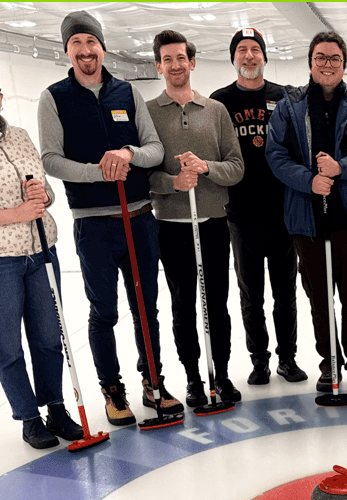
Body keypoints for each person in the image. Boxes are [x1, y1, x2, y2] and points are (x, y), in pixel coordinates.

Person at [38, 10, 181, 426]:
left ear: (102, 47)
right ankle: (112, 389)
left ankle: (153, 382)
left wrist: (127, 154)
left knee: (146, 309)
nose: (85, 50)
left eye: (91, 42)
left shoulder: (126, 92)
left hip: (138, 217)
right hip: (94, 225)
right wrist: (97, 171)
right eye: (76, 44)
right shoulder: (54, 97)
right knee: (104, 312)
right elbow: (51, 159)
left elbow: (154, 149)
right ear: (67, 51)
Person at [0, 64, 85, 451]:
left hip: (40, 251)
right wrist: (16, 214)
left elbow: (45, 190)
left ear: (1, 95)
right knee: (9, 345)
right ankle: (29, 417)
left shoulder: (20, 136)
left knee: (48, 337)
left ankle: (56, 408)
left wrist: (42, 196)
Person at [265, 31, 347, 391]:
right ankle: (329, 363)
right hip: (308, 219)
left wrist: (340, 168)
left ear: (344, 64)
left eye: (335, 58)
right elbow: (276, 155)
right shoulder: (289, 106)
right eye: (321, 57)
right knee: (319, 299)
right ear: (310, 62)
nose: (328, 64)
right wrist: (309, 180)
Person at [146, 31, 244, 408]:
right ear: (159, 66)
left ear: (192, 62)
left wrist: (206, 168)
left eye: (181, 58)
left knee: (217, 305)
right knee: (183, 306)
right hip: (172, 226)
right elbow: (145, 176)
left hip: (214, 223)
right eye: (167, 59)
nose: (175, 65)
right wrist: (173, 182)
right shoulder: (148, 113)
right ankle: (192, 379)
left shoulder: (215, 110)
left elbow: (236, 167)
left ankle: (221, 374)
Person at [210, 27, 307, 387]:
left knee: (285, 294)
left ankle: (288, 358)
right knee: (251, 296)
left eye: (255, 50)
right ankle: (259, 361)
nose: (249, 56)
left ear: (264, 57)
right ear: (233, 58)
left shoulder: (285, 97)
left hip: (282, 214)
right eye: (242, 50)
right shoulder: (219, 102)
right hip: (240, 216)